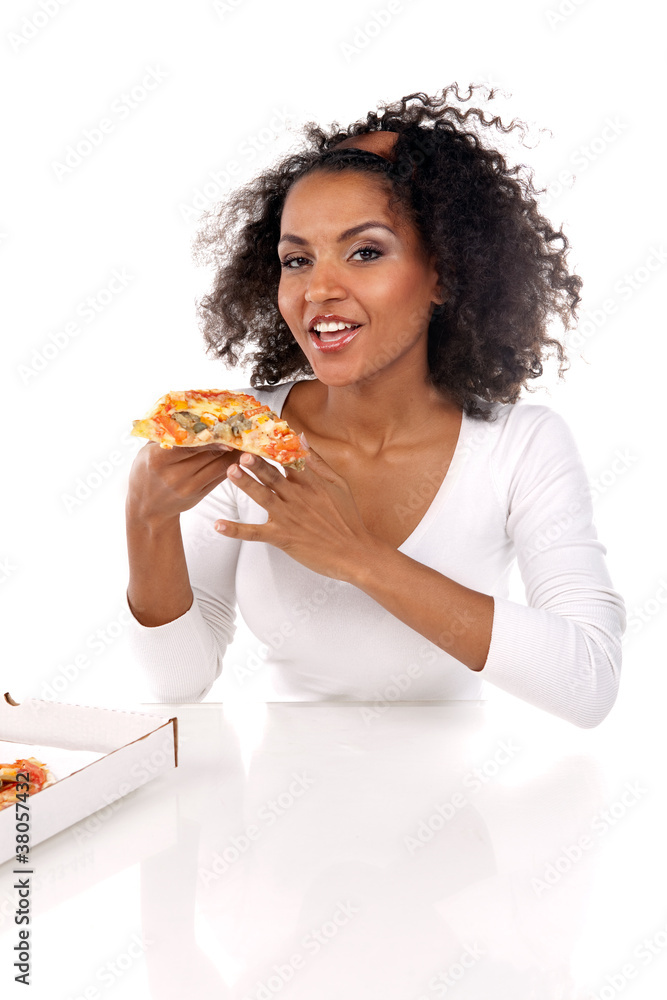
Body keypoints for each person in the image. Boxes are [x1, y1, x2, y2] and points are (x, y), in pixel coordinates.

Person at [125, 84, 625, 727]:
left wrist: (357, 556)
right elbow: (177, 685)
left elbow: (588, 685)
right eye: (296, 259)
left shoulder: (520, 444)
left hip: (465, 811)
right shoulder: (242, 439)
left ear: (444, 272)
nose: (319, 290)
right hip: (273, 815)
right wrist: (145, 517)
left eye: (365, 251)